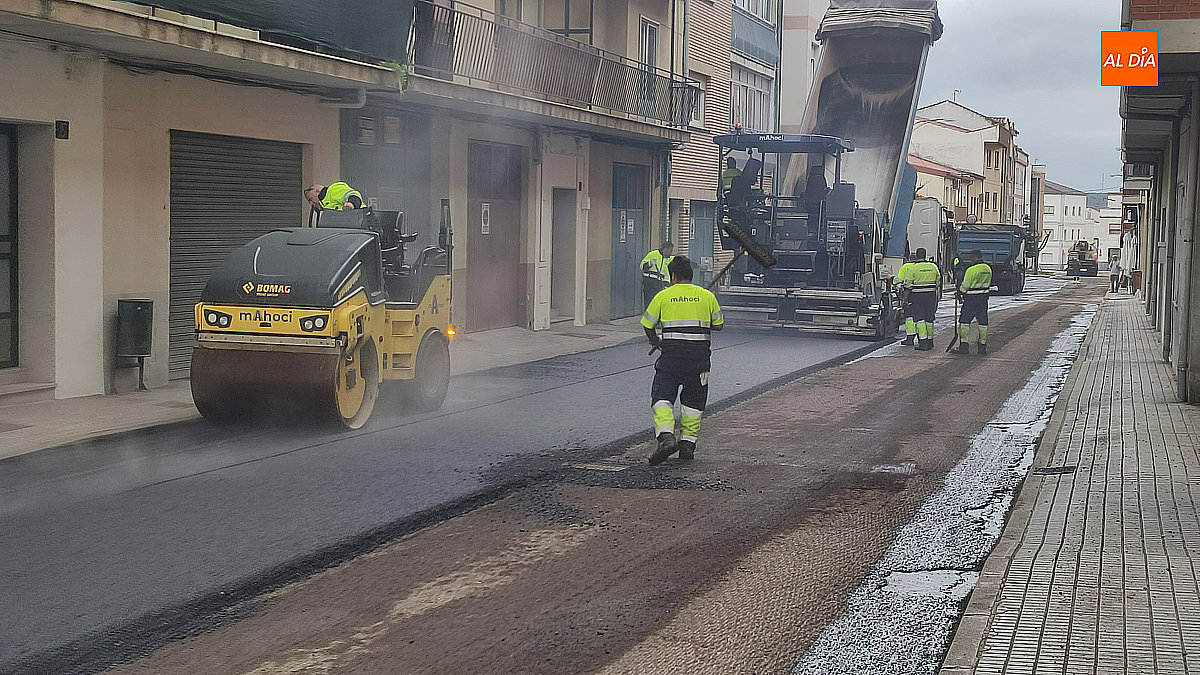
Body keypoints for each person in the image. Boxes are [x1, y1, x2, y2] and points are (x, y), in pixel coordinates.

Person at [641, 255, 723, 465]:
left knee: (662, 397)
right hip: (699, 361)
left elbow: (648, 324)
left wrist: (656, 341)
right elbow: (719, 325)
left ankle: (667, 437)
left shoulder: (663, 296)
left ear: (674, 276)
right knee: (693, 403)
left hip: (671, 359)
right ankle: (687, 445)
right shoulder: (706, 296)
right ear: (690, 275)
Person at [956, 250, 992, 356]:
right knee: (983, 323)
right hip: (983, 299)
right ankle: (982, 346)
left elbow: (965, 285)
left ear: (974, 257)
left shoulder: (971, 270)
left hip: (971, 299)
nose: (970, 259)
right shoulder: (987, 269)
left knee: (964, 322)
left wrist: (959, 292)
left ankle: (964, 346)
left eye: (971, 257)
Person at [907, 248, 941, 351]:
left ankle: (923, 342)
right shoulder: (933, 266)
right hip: (931, 296)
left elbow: (908, 285)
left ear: (917, 256)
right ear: (925, 255)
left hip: (917, 297)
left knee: (919, 319)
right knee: (929, 319)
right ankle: (930, 342)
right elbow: (938, 281)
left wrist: (905, 299)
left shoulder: (913, 269)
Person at [641, 242, 674, 308]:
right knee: (649, 303)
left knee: (658, 303)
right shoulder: (653, 254)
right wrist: (650, 263)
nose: (671, 253)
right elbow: (642, 266)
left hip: (660, 284)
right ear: (665, 249)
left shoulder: (669, 259)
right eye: (670, 251)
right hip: (649, 283)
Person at [896, 255, 917, 346]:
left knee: (909, 317)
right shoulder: (919, 267)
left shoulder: (905, 267)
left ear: (908, 260)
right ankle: (923, 339)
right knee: (921, 318)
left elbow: (899, 281)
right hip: (923, 295)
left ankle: (910, 338)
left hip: (909, 295)